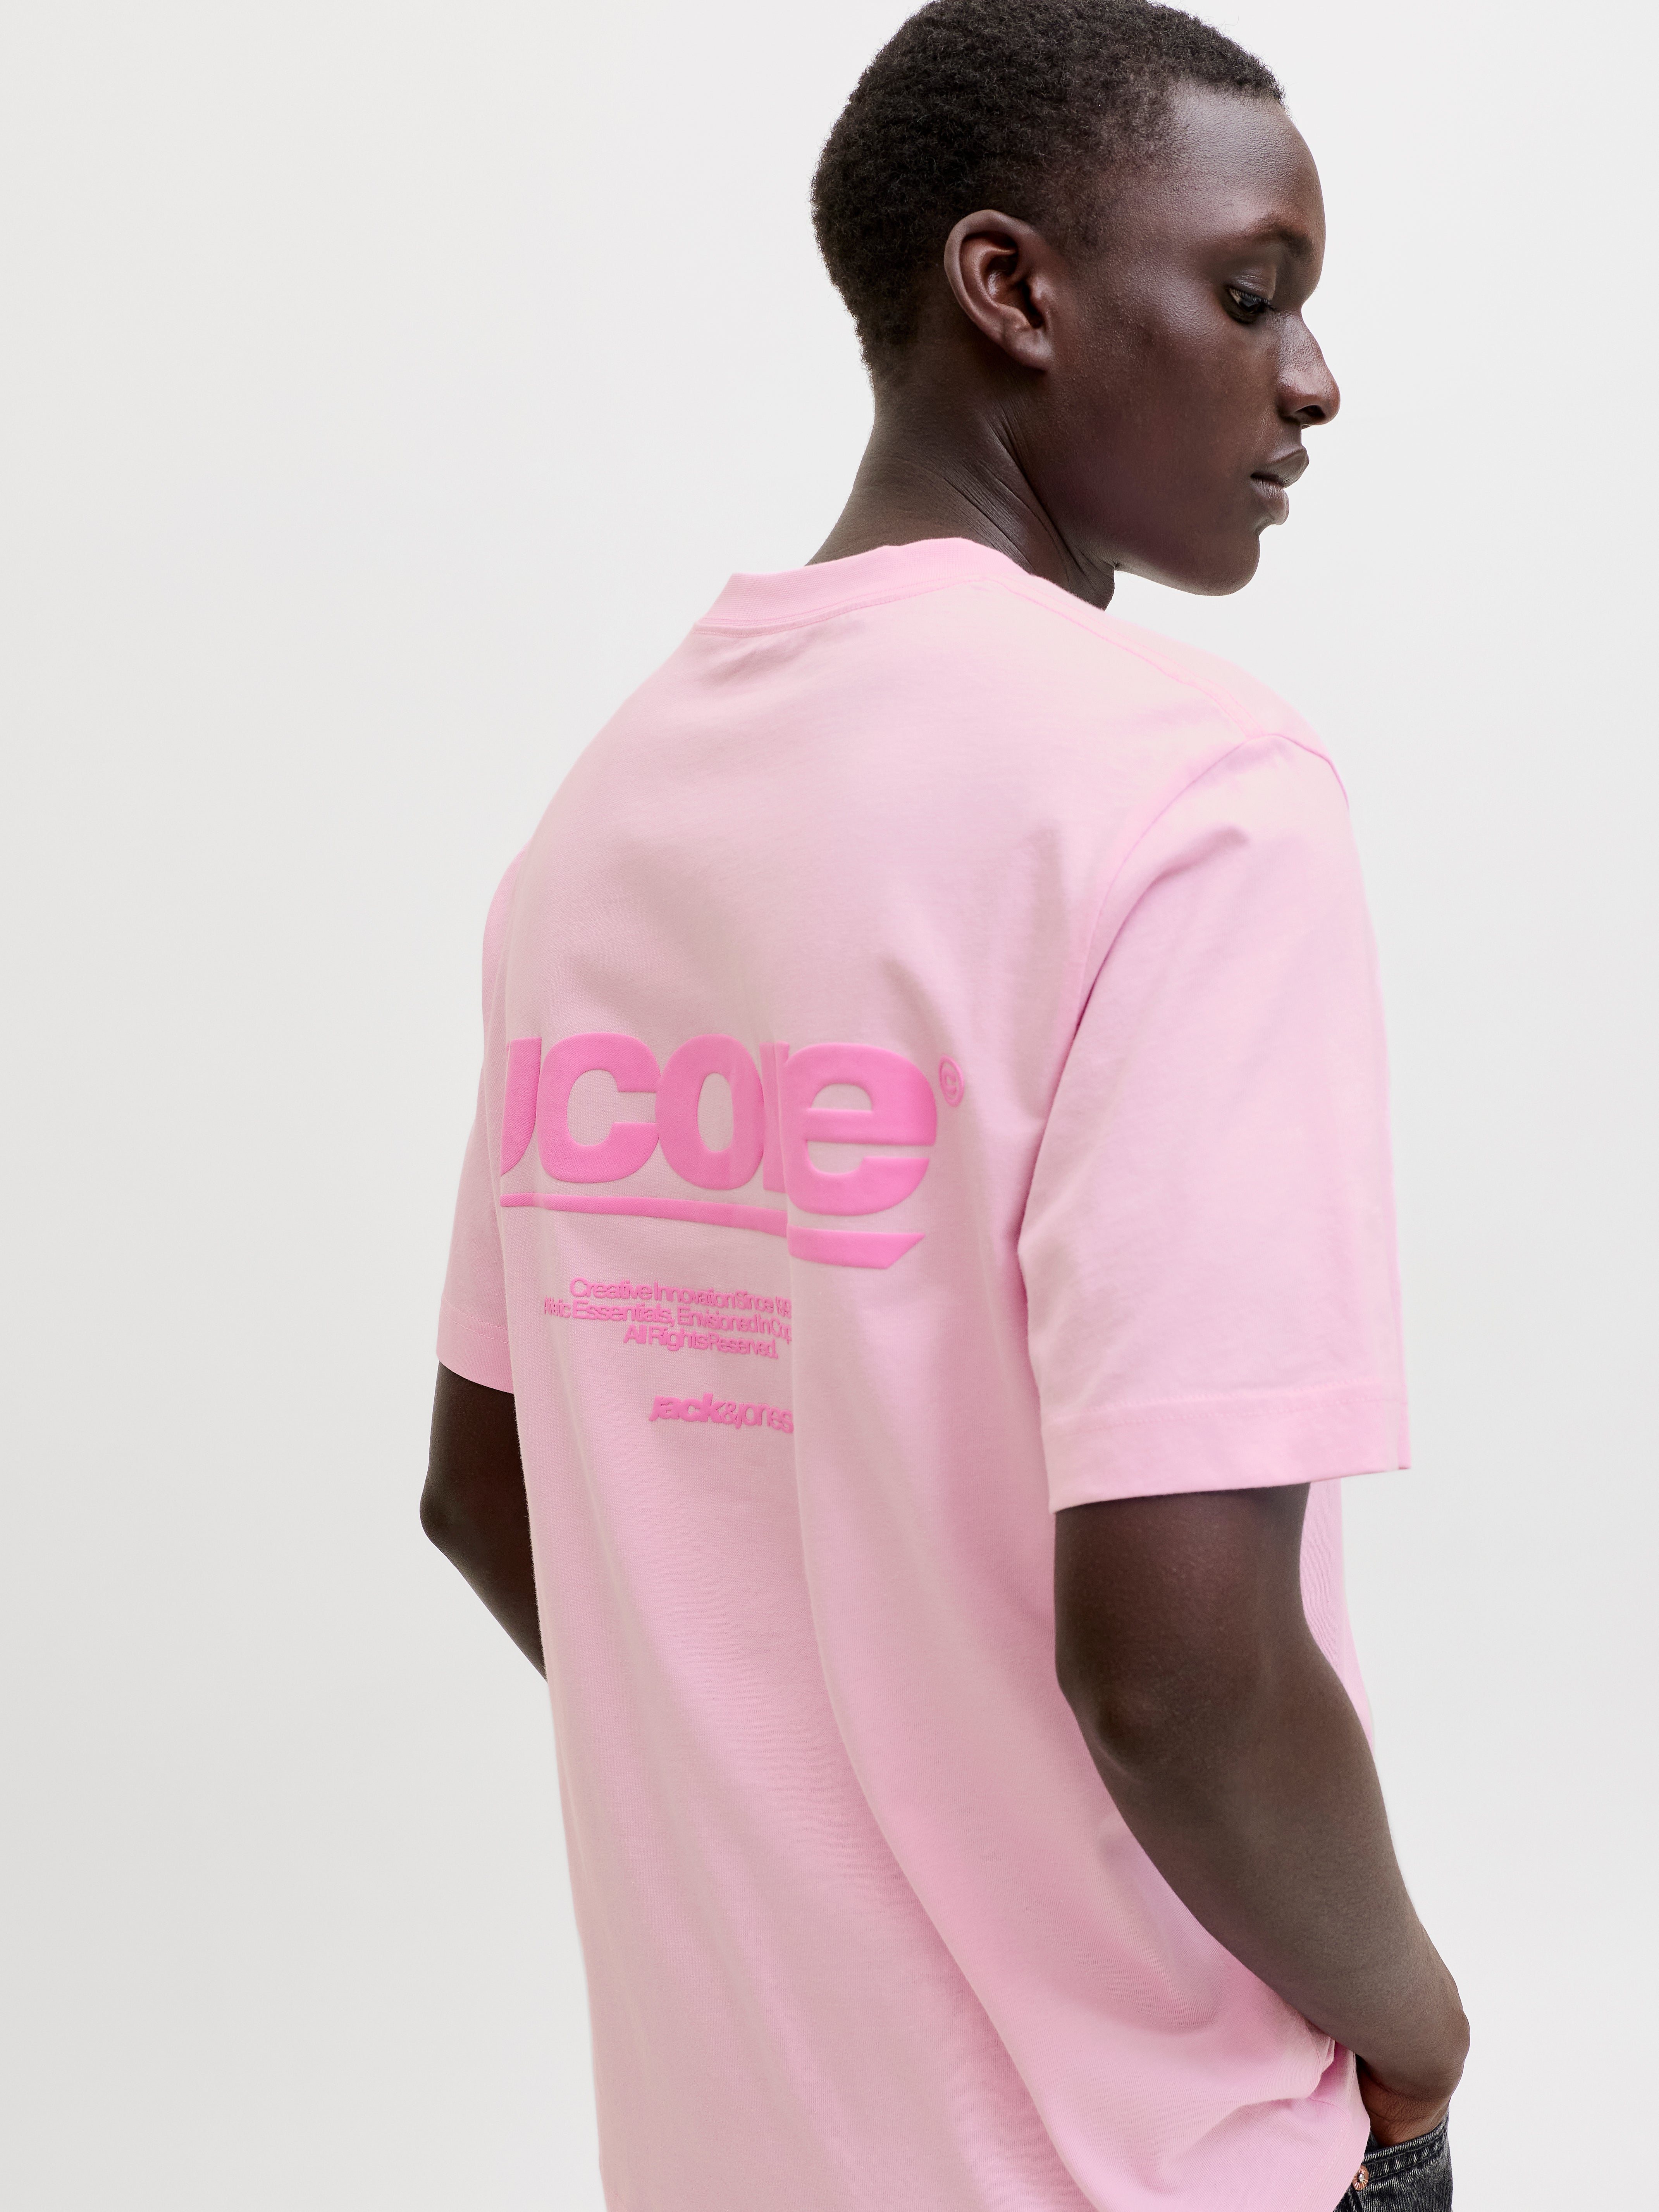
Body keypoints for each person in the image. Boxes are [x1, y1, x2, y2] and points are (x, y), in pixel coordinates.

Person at [420, 3, 1469, 2207]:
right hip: (1146, 2163)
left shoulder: (607, 814)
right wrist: (1413, 2026)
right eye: (1252, 293)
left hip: (728, 2147)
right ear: (1012, 290)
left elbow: (497, 1494)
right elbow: (1179, 1673)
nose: (1313, 380)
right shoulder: (1190, 804)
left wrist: (801, 1831)